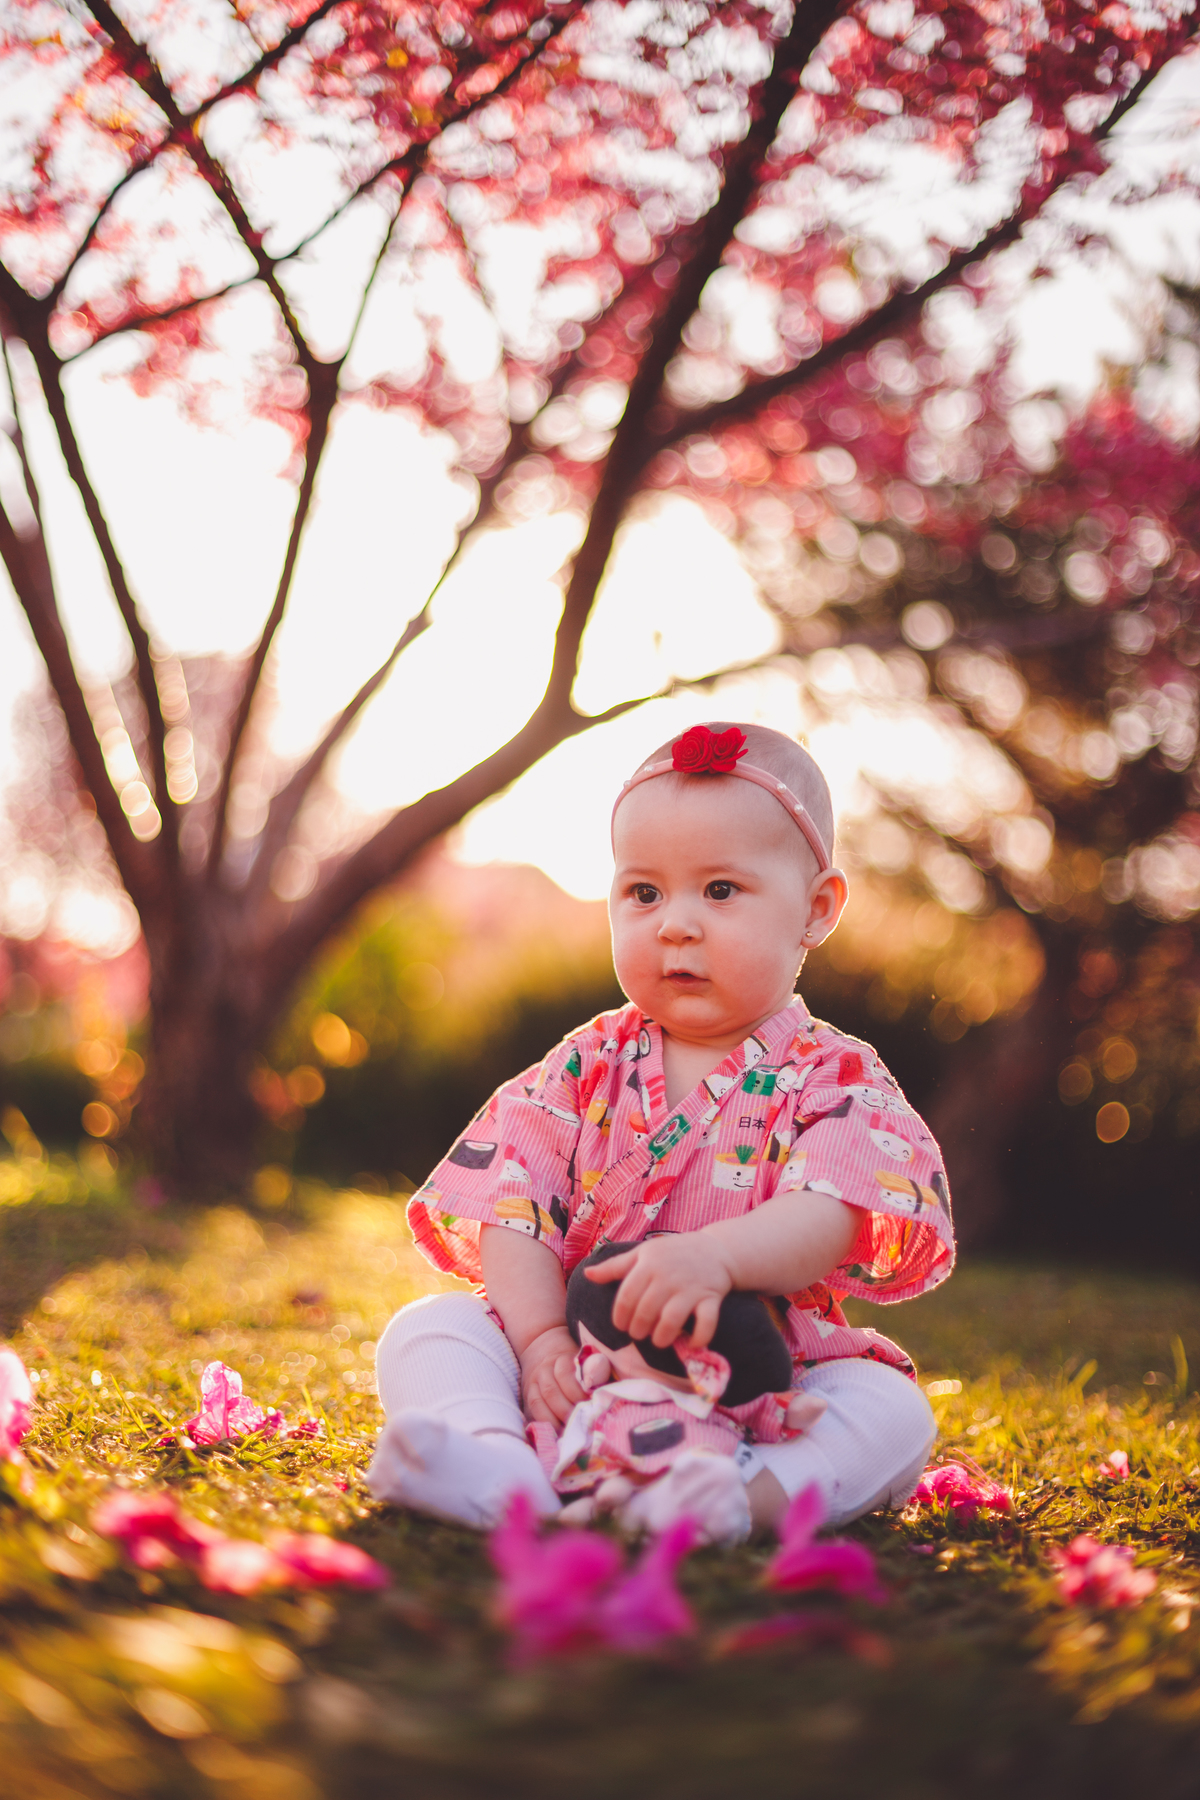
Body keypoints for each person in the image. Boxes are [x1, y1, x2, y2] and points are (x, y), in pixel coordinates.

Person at [369, 721, 953, 1541]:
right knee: (433, 1330)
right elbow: (517, 1205)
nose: (675, 924)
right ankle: (496, 1466)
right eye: (643, 893)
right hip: (579, 1360)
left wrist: (717, 1258)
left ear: (816, 909)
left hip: (760, 1376)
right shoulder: (582, 1065)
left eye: (720, 891)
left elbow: (832, 1209)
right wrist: (538, 1345)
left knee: (891, 1411)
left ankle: (732, 1499)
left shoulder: (835, 1076)